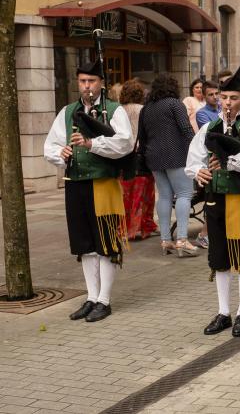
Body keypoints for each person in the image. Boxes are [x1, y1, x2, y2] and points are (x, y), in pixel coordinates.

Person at [43, 54, 134, 323]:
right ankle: (91, 297)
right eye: (82, 81)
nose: (86, 86)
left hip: (102, 183)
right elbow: (50, 145)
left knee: (105, 243)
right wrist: (63, 152)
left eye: (91, 81)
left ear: (101, 82)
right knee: (84, 245)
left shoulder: (114, 110)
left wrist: (92, 144)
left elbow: (125, 144)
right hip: (75, 183)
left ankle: (104, 300)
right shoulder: (68, 111)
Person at [186, 63, 240, 338]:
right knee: (219, 257)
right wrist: (197, 170)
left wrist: (231, 161)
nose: (228, 103)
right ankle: (224, 312)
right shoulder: (210, 126)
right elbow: (192, 158)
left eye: (234, 98)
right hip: (215, 197)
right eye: (224, 98)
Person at [139, 74, 198, 257]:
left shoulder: (146, 108)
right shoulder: (174, 103)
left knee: (164, 196)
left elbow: (142, 136)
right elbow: (186, 129)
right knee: (184, 194)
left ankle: (166, 240)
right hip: (176, 154)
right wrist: (198, 149)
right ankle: (182, 239)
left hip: (154, 157)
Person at [119, 79, 157, 241]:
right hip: (142, 156)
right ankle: (141, 227)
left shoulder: (118, 111)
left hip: (123, 157)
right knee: (144, 194)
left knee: (125, 195)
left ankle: (124, 228)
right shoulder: (144, 110)